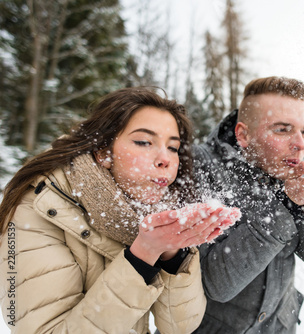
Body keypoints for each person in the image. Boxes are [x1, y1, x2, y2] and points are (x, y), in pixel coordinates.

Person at [0, 87, 239, 333]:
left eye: (173, 148)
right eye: (144, 142)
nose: (165, 159)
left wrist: (172, 254)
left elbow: (180, 326)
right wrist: (143, 255)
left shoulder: (158, 209)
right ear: (104, 153)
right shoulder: (38, 209)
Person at [192, 76, 304, 333]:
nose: (301, 144)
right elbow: (217, 284)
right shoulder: (199, 167)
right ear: (243, 135)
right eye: (282, 129)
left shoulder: (297, 167)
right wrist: (285, 207)